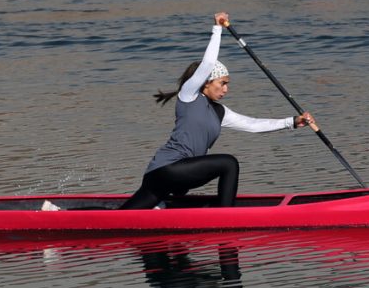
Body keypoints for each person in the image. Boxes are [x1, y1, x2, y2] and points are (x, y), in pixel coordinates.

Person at [120, 12, 315, 210]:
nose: (226, 89)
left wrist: (291, 122)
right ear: (206, 82)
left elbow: (252, 125)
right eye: (222, 83)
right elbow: (207, 64)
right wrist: (217, 29)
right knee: (228, 164)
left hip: (171, 177)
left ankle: (159, 208)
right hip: (166, 169)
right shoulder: (189, 95)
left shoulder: (220, 112)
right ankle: (225, 216)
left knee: (121, 215)